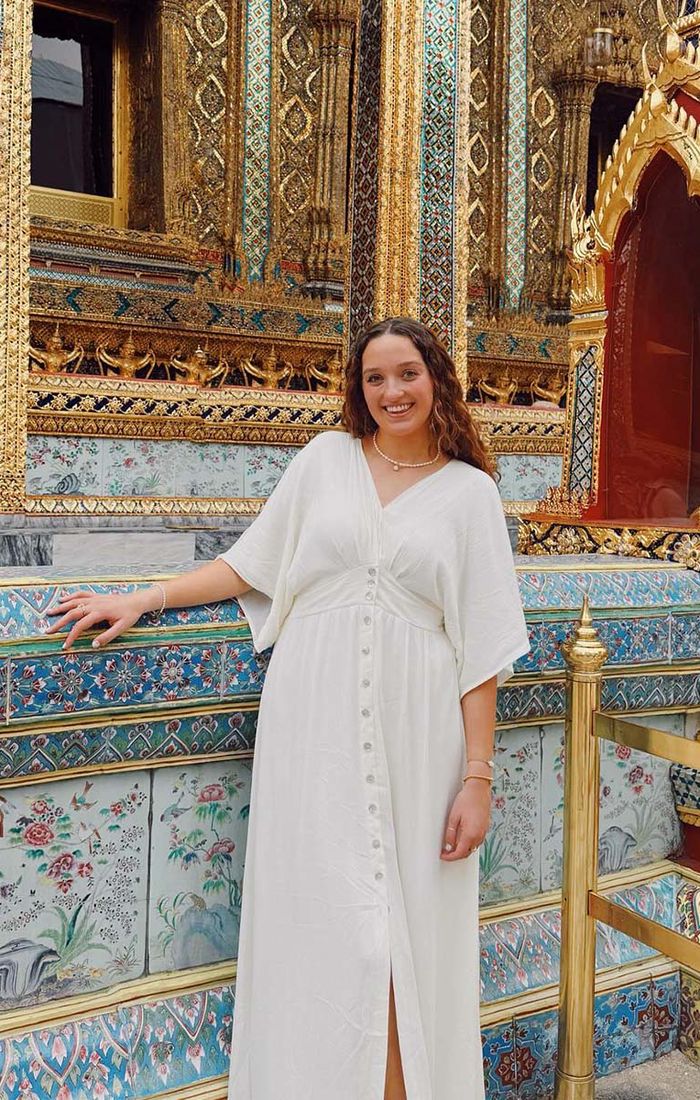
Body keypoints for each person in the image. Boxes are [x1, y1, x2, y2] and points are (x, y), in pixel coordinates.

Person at [46, 317, 529, 1100]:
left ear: (435, 377)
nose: (391, 392)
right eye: (375, 379)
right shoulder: (326, 462)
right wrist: (140, 598)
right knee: (326, 929)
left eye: (406, 373)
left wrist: (478, 776)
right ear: (358, 390)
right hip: (314, 727)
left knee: (405, 939)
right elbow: (246, 565)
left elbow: (482, 649)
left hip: (421, 733)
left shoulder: (471, 495)